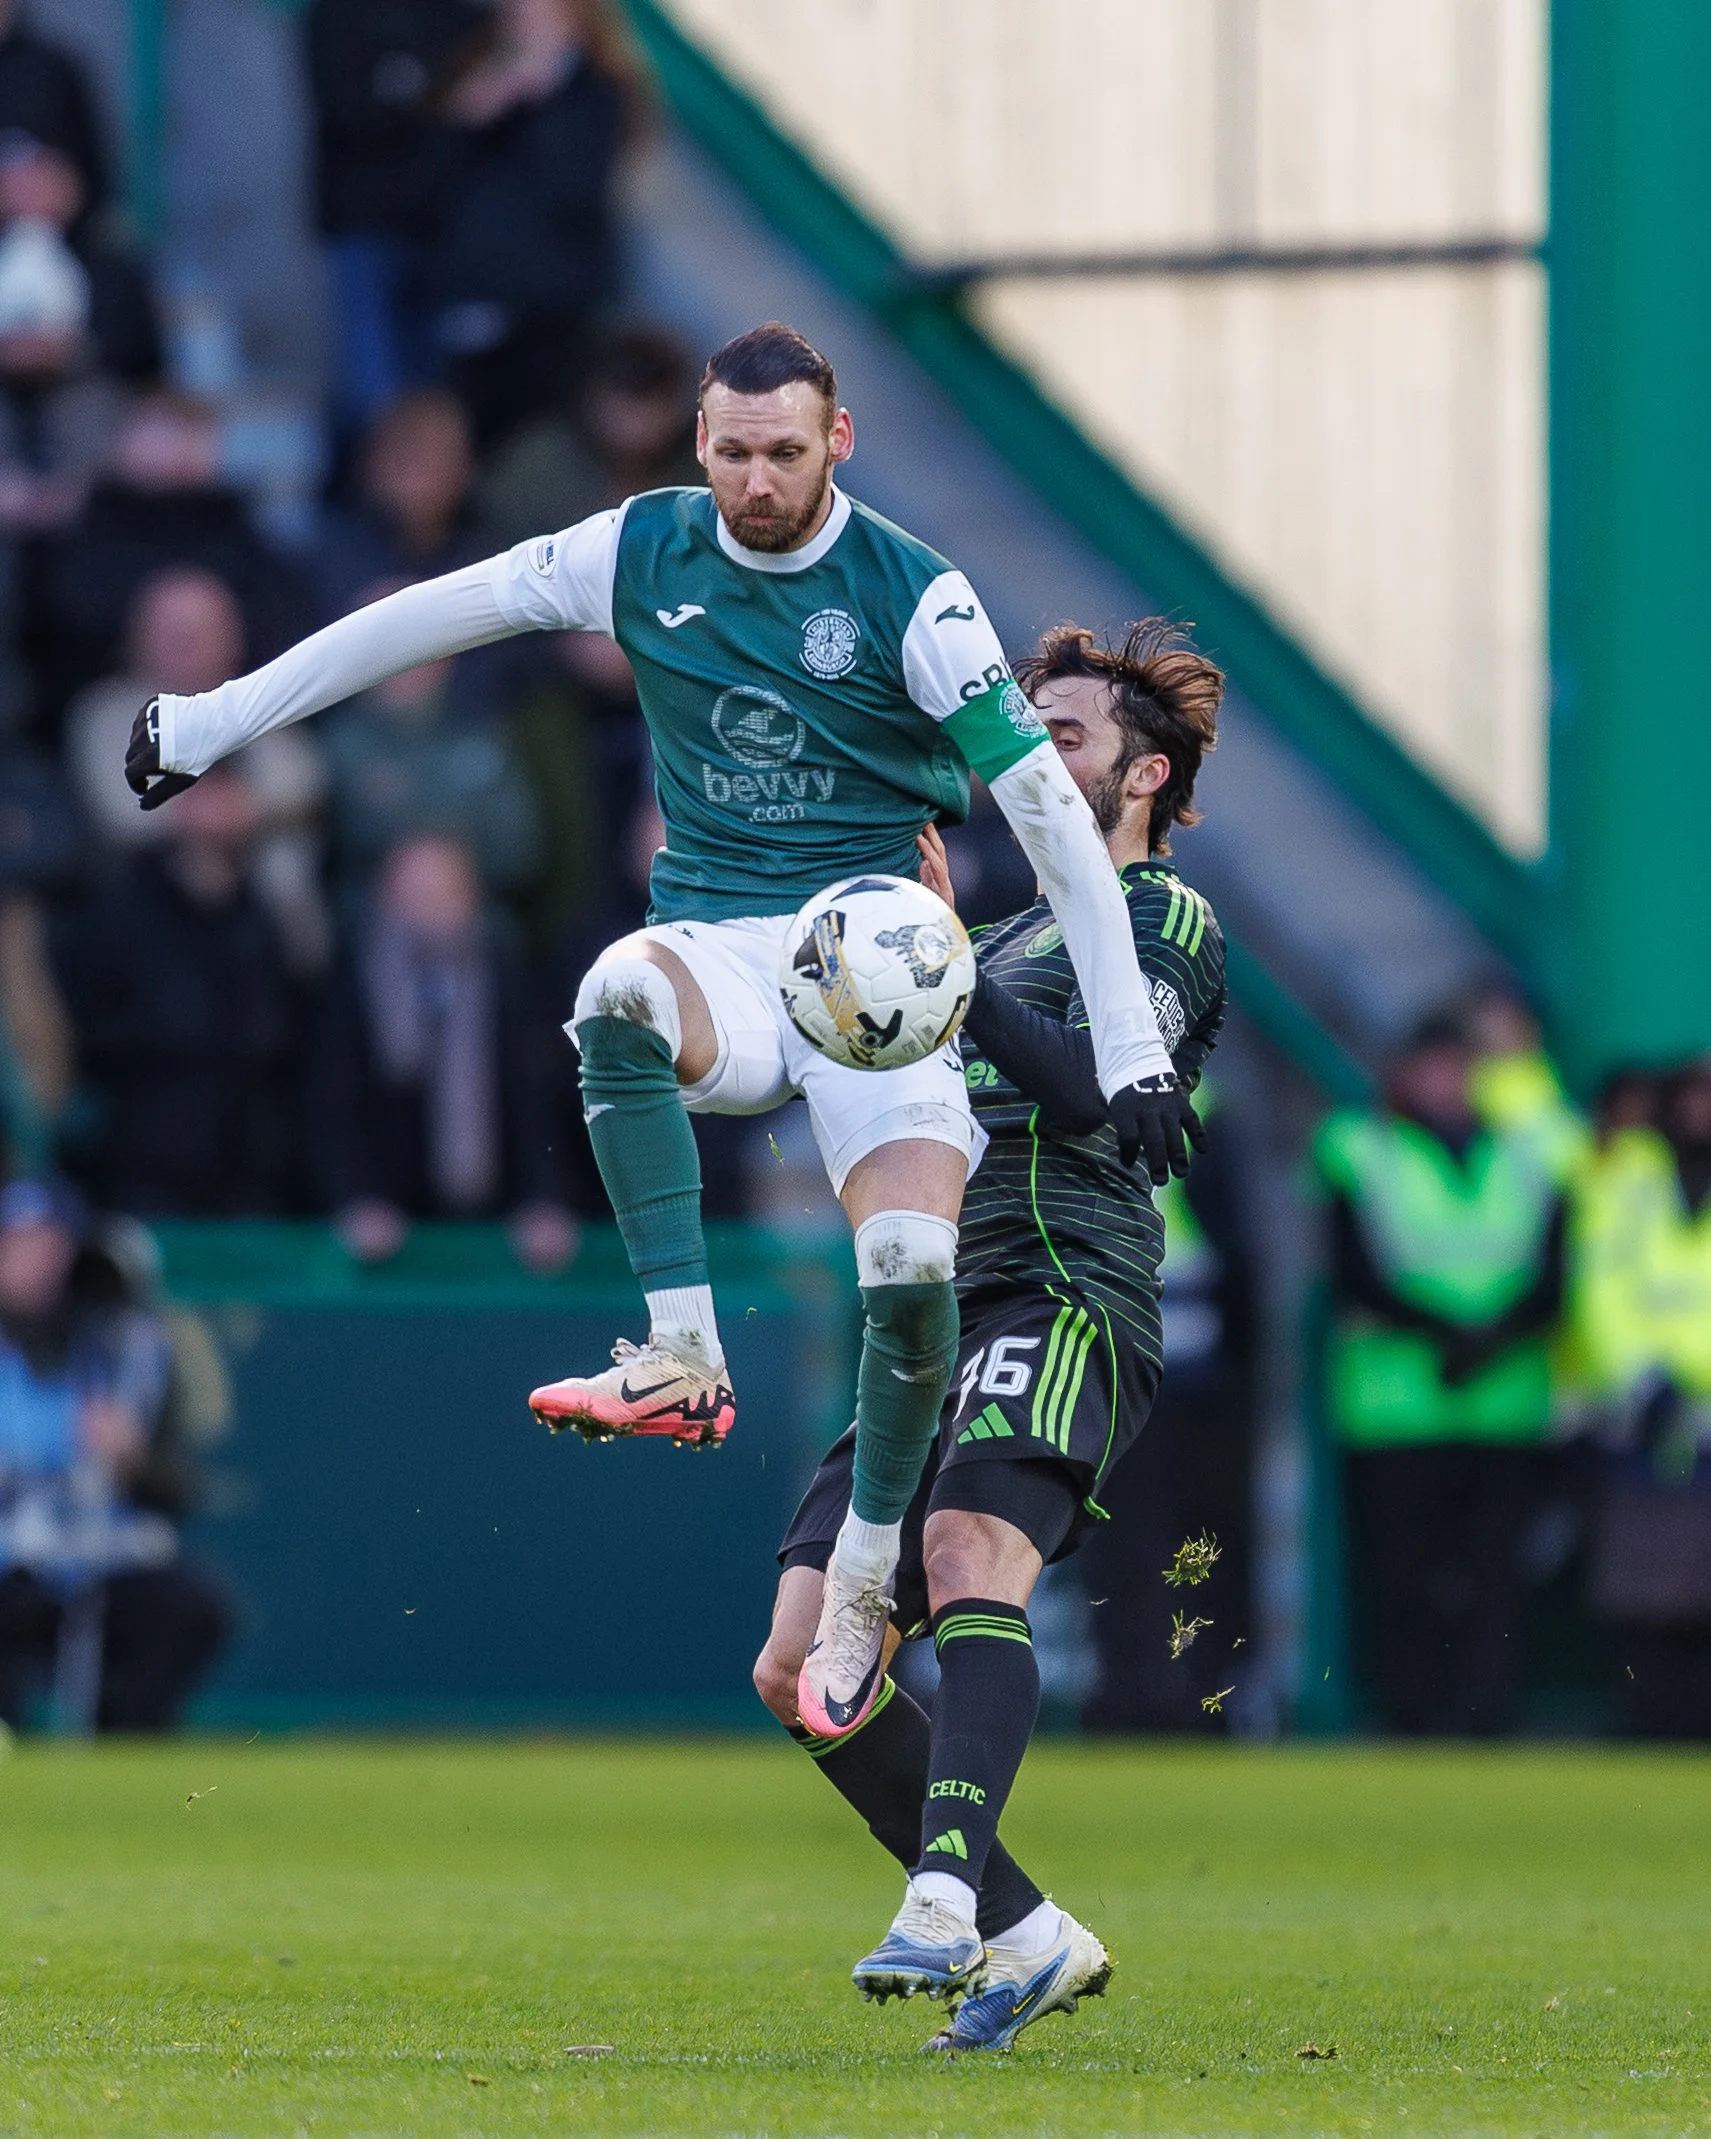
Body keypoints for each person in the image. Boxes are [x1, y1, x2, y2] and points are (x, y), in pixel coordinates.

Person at [122, 320, 1194, 1743]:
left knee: (905, 1273)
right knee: (613, 996)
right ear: (698, 441)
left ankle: (866, 1574)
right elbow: (423, 614)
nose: (757, 481)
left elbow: (1052, 819)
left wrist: (1124, 1046)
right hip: (729, 950)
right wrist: (211, 720)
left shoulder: (912, 595)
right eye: (733, 451)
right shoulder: (639, 547)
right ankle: (682, 1351)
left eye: (786, 453)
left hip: (877, 949)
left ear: (840, 442)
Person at [752, 618, 1226, 2046]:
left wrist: (943, 961)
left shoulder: (1156, 919)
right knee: (801, 1665)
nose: (1029, 752)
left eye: (1061, 735)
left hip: (1067, 1288)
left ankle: (944, 1894)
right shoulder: (995, 932)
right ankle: (1031, 1935)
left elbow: (1101, 1091)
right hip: (931, 1311)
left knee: (966, 1554)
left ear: (1140, 775)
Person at [1318, 1013, 1571, 1736]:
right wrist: (1455, 1336)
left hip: (1503, 1403)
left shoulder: (1528, 1150)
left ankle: (1486, 1711)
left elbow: (1555, 1269)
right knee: (1405, 1578)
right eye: (1432, 1067)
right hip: (1397, 1406)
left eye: (1458, 1067)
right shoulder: (1361, 1148)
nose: (1446, 1082)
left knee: (1496, 1580)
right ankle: (1412, 1711)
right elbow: (1352, 1273)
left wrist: (1485, 1340)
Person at [0, 1178, 229, 1732]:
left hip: (94, 1552)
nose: (34, 1264)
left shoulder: (126, 1353)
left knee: (189, 1609)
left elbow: (181, 1488)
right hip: (9, 1560)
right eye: (16, 1245)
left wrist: (131, 1461)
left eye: (49, 1244)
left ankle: (122, 1740)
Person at [313, 832, 575, 1272]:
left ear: (471, 899)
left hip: (492, 1227)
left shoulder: (507, 980)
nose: (428, 910)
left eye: (443, 894)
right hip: (380, 1236)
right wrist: (354, 1202)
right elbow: (331, 1108)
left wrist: (543, 1201)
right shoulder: (350, 984)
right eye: (414, 896)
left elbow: (535, 1102)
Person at [56, 763, 303, 1217]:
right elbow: (88, 1019)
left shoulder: (262, 915)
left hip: (246, 1163)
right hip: (145, 1157)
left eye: (230, 797)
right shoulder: (123, 907)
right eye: (206, 797)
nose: (219, 815)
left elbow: (280, 1031)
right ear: (178, 807)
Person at [429, 0, 642, 442]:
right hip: (463, 300)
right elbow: (429, 179)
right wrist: (479, 105)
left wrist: (534, 93)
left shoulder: (596, 94)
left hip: (545, 316)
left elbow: (572, 191)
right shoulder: (476, 70)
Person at [304, 0, 478, 433]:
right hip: (363, 222)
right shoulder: (340, 13)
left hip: (441, 227)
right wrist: (429, 98)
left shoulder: (450, 14)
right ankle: (372, 496)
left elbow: (469, 85)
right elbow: (346, 103)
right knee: (374, 391)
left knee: (435, 395)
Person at [315, 389, 481, 623]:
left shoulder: (492, 558)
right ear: (367, 460)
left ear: (465, 469)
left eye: (426, 455)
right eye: (401, 451)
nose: (410, 471)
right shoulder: (319, 556)